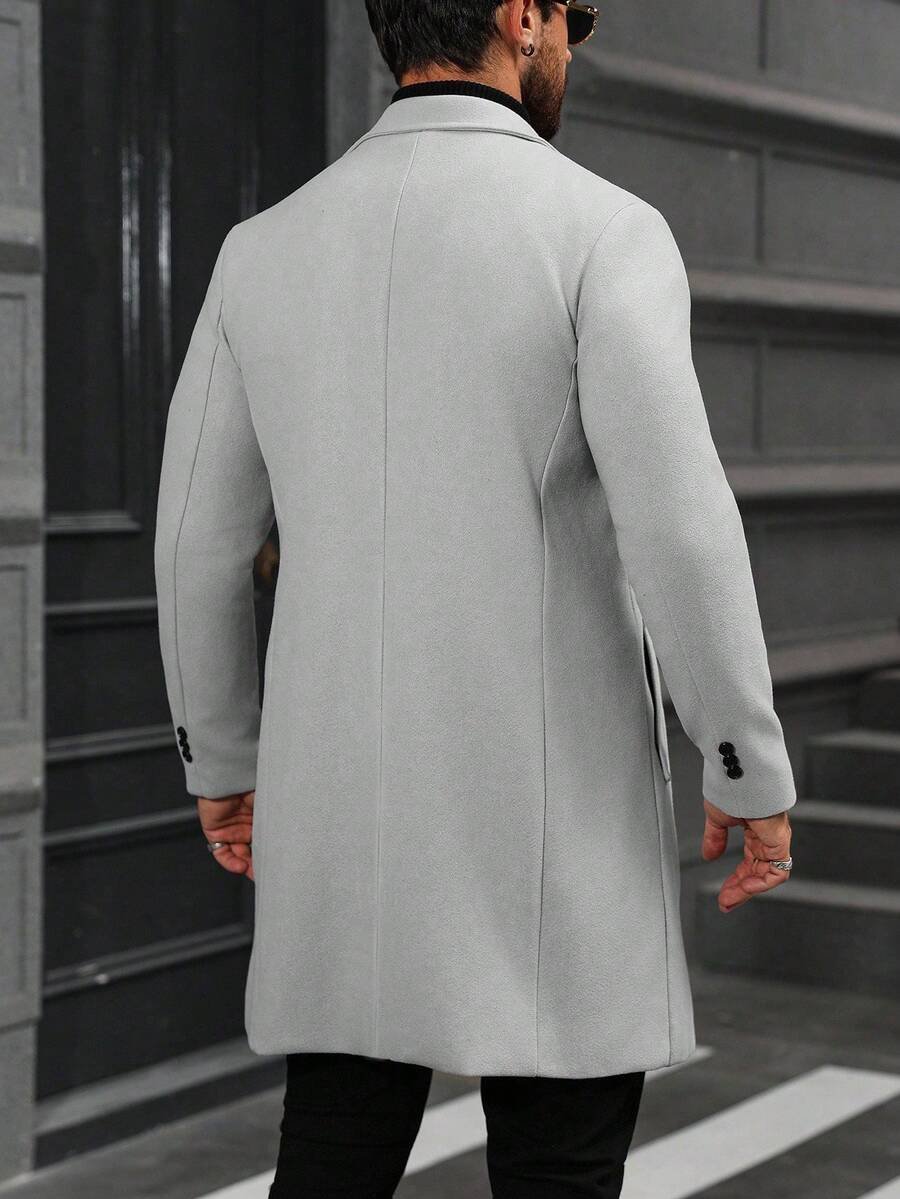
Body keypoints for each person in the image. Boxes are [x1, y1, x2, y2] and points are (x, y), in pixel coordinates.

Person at [153, 2, 796, 1195]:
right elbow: (679, 525)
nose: (573, 45)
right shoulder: (602, 230)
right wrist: (743, 763)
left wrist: (223, 762)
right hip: (553, 814)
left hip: (342, 805)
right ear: (522, 15)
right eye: (574, 18)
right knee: (560, 1160)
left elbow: (197, 540)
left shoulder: (263, 249)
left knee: (331, 1151)